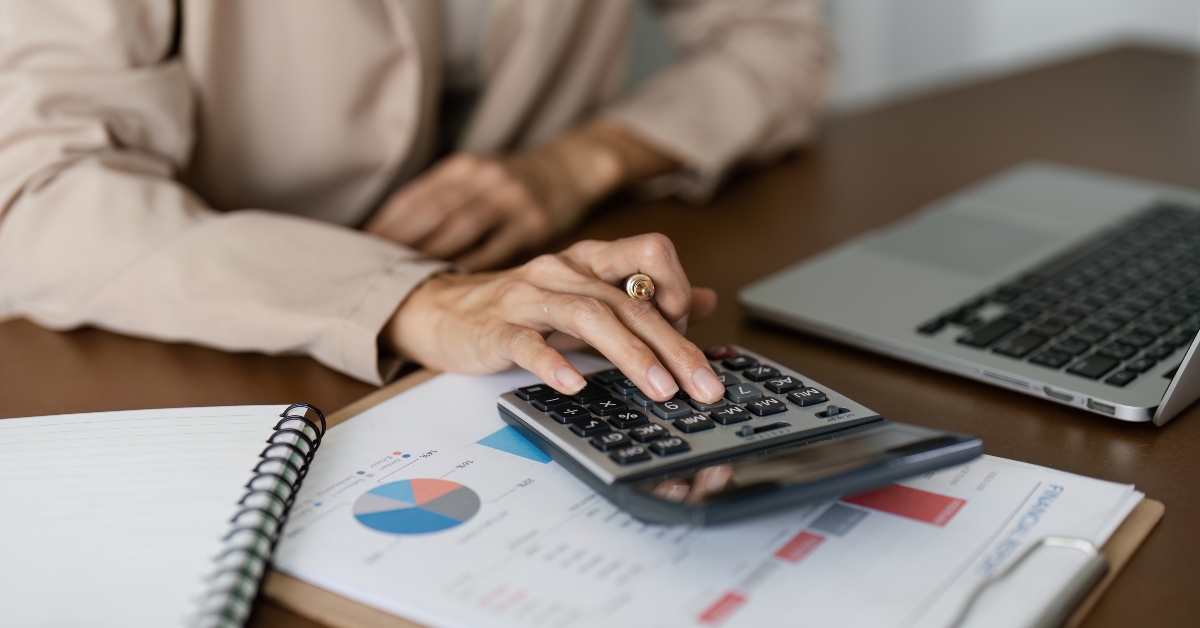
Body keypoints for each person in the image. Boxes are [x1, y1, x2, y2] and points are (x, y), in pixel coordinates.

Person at [0, 1, 829, 404]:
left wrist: (580, 162)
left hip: (520, 321)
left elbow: (780, 40)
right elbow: (38, 196)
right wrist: (406, 296)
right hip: (206, 351)